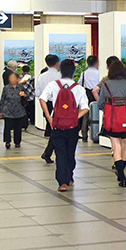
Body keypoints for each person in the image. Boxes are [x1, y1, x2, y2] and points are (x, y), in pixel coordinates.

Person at [39, 59, 89, 192]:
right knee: (70, 153)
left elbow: (42, 99)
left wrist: (49, 117)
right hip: (72, 127)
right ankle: (69, 176)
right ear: (73, 71)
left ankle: (63, 182)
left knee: (60, 153)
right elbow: (85, 108)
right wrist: (74, 117)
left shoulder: (53, 85)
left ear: (61, 70)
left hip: (57, 124)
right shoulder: (79, 88)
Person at [98, 61, 126, 187]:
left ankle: (121, 174)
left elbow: (100, 104)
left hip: (112, 121)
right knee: (125, 146)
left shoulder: (106, 85)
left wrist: (108, 109)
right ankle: (122, 167)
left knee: (115, 146)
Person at [36, 55, 61, 163]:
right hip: (58, 105)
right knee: (56, 130)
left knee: (54, 129)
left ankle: (48, 153)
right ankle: (49, 153)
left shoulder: (42, 76)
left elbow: (37, 92)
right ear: (57, 63)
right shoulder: (60, 75)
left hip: (45, 103)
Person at [0, 73, 27, 149]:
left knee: (18, 127)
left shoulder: (21, 87)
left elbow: (26, 99)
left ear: (17, 79)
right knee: (7, 127)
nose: (12, 79)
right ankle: (7, 141)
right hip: (8, 110)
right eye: (10, 78)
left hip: (19, 111)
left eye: (14, 78)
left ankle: (17, 142)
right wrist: (1, 110)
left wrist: (24, 96)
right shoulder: (6, 88)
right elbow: (2, 99)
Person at [79, 55, 100, 142]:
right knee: (98, 113)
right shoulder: (98, 73)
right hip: (97, 95)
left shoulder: (84, 73)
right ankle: (97, 133)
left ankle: (84, 135)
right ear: (96, 63)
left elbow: (80, 84)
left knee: (85, 115)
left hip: (86, 95)